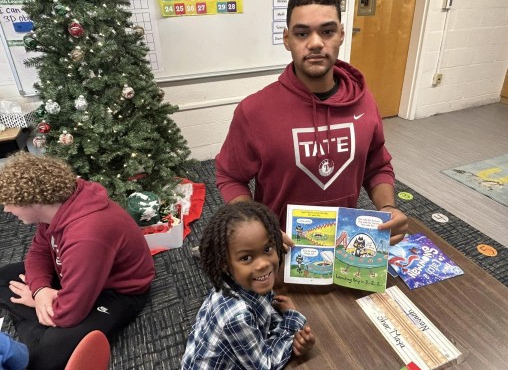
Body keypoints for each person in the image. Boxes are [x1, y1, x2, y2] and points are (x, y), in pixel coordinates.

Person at [215, 0, 407, 245]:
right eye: (302, 33)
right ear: (287, 39)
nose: (316, 43)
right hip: (280, 249)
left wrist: (387, 207)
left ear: (341, 34)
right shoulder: (254, 111)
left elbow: (377, 166)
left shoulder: (363, 102)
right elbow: (230, 176)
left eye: (327, 31)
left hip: (344, 245)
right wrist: (258, 226)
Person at [0, 151, 155, 370]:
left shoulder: (86, 237)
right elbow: (38, 253)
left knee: (43, 358)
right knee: (3, 277)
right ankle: (40, 322)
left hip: (119, 292)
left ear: (34, 201)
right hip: (74, 269)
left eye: (10, 203)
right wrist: (41, 290)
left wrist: (37, 301)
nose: (6, 209)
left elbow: (70, 314)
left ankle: (37, 324)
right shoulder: (56, 208)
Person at [182, 202, 315, 369]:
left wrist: (286, 322)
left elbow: (263, 314)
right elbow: (265, 365)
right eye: (246, 258)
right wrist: (293, 323)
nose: (262, 264)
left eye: (267, 249)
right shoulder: (237, 315)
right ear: (224, 264)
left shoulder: (245, 281)